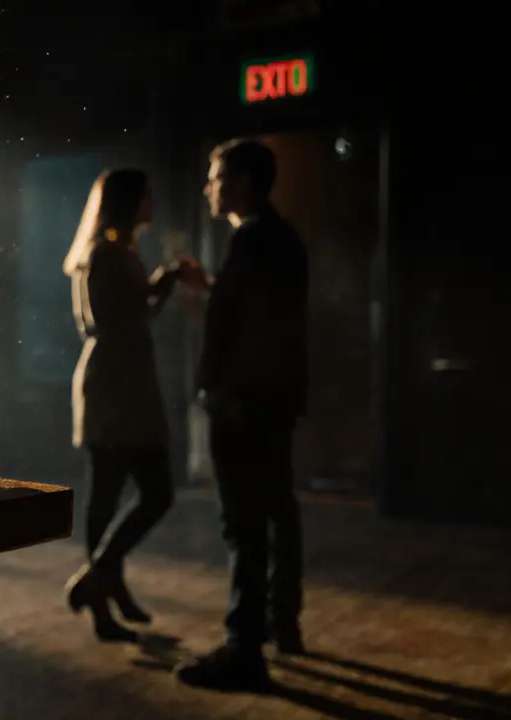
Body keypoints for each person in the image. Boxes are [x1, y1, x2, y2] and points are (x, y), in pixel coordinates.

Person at [175, 138, 310, 691]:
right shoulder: (277, 239)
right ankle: (283, 620)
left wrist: (224, 393)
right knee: (276, 506)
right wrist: (210, 285)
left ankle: (243, 649)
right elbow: (262, 314)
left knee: (244, 524)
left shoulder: (253, 242)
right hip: (271, 401)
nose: (209, 186)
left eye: (218, 176)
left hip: (244, 405)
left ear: (245, 181)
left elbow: (250, 330)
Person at [62, 168, 191, 642]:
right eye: (146, 196)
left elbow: (134, 314)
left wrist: (163, 281)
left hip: (123, 384)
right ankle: (101, 588)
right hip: (115, 387)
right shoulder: (107, 254)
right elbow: (124, 319)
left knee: (120, 492)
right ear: (131, 202)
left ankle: (103, 584)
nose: (152, 204)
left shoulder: (116, 252)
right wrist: (166, 281)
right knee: (136, 491)